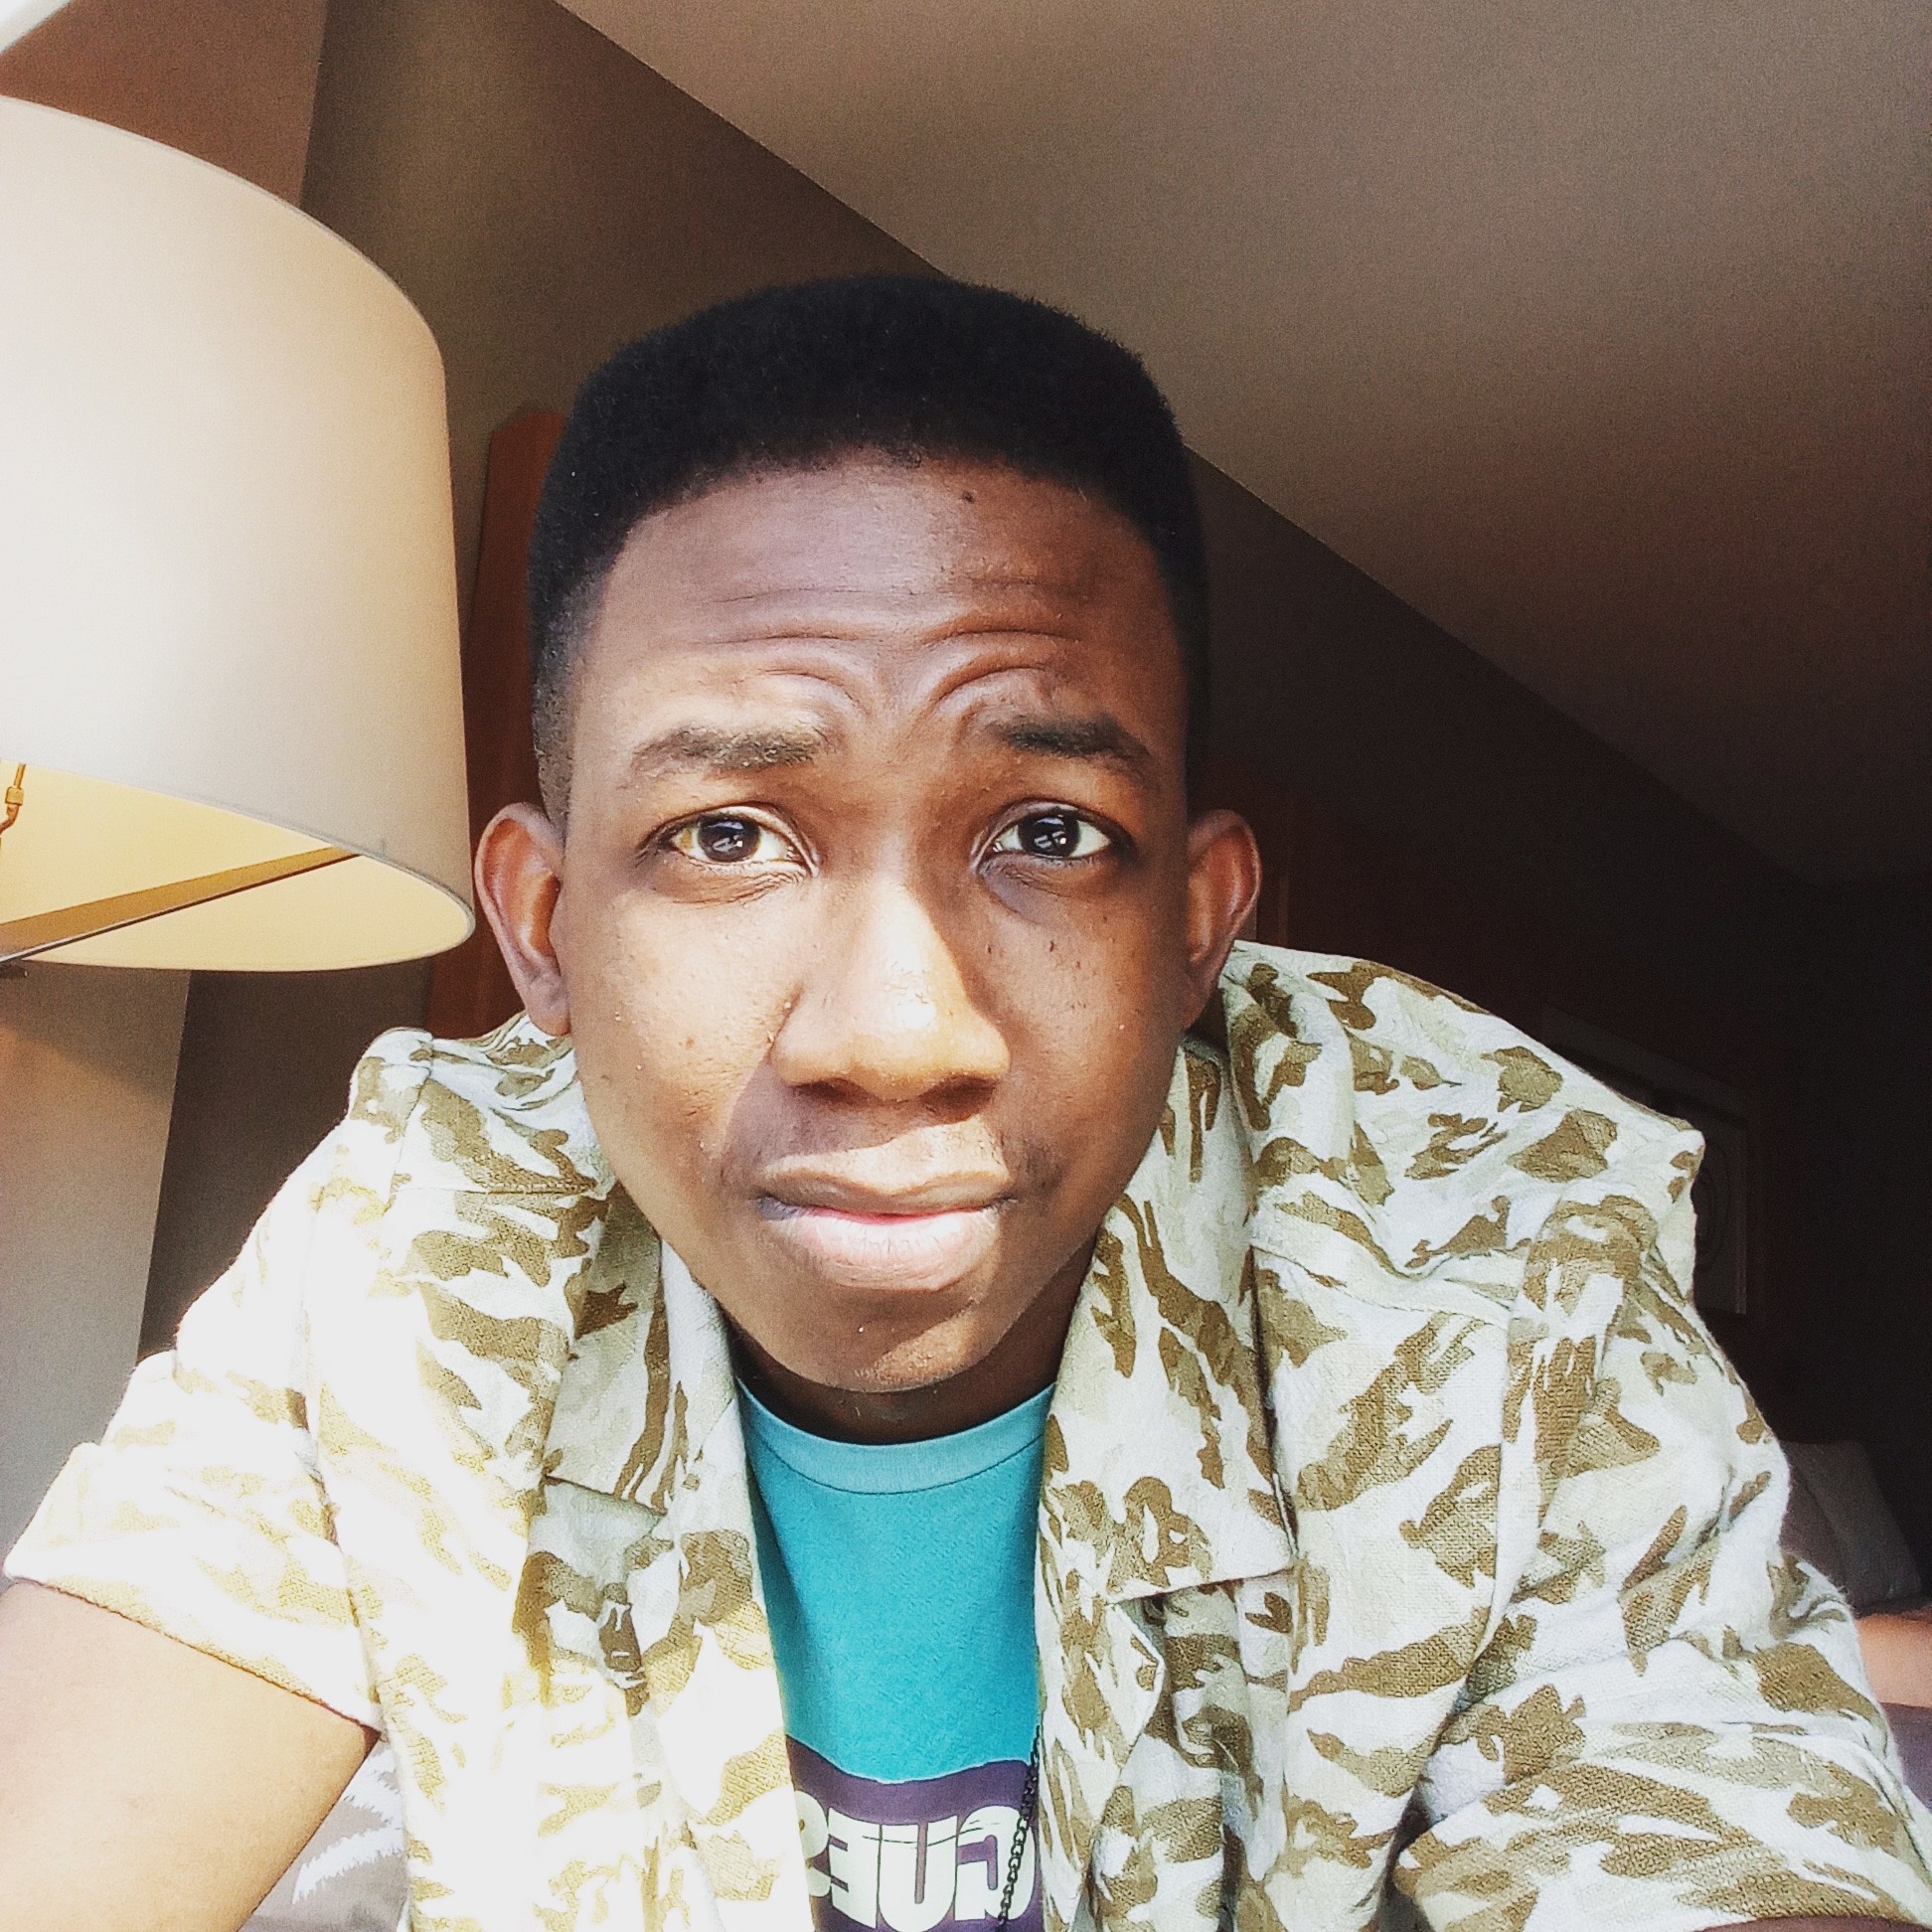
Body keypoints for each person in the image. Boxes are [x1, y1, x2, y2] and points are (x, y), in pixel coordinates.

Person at [0, 275, 1926, 1932]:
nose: (898, 1033)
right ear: (546, 925)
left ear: (1197, 927)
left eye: (1049, 833)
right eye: (728, 833)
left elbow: (1700, 1827)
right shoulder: (428, 1232)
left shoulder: (1483, 1226)